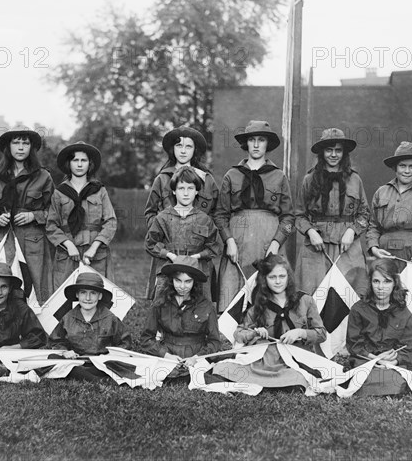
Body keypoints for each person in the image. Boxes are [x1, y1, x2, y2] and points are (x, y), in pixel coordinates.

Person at [212, 254, 326, 390]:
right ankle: (274, 382)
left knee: (299, 378)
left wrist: (300, 332)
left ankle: (281, 382)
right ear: (264, 279)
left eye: (282, 276)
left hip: (296, 358)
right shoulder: (260, 304)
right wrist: (254, 333)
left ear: (289, 277)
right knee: (222, 369)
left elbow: (321, 334)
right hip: (267, 361)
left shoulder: (305, 300)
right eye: (272, 277)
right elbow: (239, 333)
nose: (278, 282)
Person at [215, 121, 295, 312]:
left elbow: (289, 217)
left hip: (269, 242)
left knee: (270, 291)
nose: (257, 144)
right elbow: (220, 214)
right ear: (246, 144)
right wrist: (229, 241)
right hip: (239, 243)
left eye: (261, 140)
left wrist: (276, 242)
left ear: (267, 144)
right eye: (252, 140)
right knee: (234, 296)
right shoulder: (232, 175)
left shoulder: (279, 176)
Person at [0, 125, 54, 302]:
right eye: (16, 142)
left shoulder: (43, 177)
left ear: (31, 148)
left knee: (34, 289)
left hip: (32, 242)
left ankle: (34, 327)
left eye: (25, 143)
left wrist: (34, 215)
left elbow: (55, 211)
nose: (20, 147)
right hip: (2, 240)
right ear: (8, 147)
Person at [144, 125, 218, 300]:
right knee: (165, 298)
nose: (183, 151)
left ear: (195, 150)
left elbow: (217, 213)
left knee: (198, 301)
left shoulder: (207, 180)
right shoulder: (162, 179)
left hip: (197, 253)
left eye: (188, 146)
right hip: (168, 251)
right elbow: (150, 212)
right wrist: (162, 232)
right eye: (179, 146)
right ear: (172, 149)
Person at [295, 128, 370, 296]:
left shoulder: (355, 179)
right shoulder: (310, 179)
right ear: (322, 153)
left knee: (349, 295)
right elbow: (299, 215)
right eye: (329, 150)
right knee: (312, 296)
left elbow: (364, 213)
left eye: (338, 150)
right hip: (316, 247)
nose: (334, 155)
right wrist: (310, 232)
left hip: (347, 247)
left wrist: (352, 231)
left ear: (344, 153)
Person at [46, 141, 117, 290]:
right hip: (67, 254)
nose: (79, 164)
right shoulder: (60, 192)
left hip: (95, 254)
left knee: (96, 292)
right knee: (65, 296)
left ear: (89, 164)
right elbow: (51, 225)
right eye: (75, 160)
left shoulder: (99, 190)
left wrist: (94, 247)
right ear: (68, 164)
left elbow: (110, 222)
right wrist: (68, 245)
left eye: (83, 160)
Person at [346, 258, 412, 396]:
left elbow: (409, 346)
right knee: (360, 378)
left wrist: (395, 359)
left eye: (387, 281)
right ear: (370, 283)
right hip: (366, 360)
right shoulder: (358, 309)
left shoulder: (403, 312)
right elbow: (354, 345)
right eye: (376, 281)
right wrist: (375, 359)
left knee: (398, 380)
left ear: (394, 283)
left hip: (392, 362)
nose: (381, 287)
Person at [140, 256, 221, 378]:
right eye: (178, 280)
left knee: (209, 374)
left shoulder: (206, 306)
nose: (182, 286)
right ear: (171, 280)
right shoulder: (160, 304)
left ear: (195, 282)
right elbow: (146, 339)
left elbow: (214, 342)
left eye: (188, 281)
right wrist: (166, 355)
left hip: (196, 356)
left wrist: (196, 358)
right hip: (167, 354)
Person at [49, 272, 132, 382]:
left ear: (100, 296)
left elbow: (125, 343)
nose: (87, 298)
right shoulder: (68, 317)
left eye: (93, 293)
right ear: (77, 295)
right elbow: (56, 341)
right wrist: (65, 351)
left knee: (119, 365)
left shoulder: (110, 318)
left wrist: (110, 355)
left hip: (100, 364)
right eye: (83, 293)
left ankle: (85, 376)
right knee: (52, 358)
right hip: (75, 361)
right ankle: (92, 378)